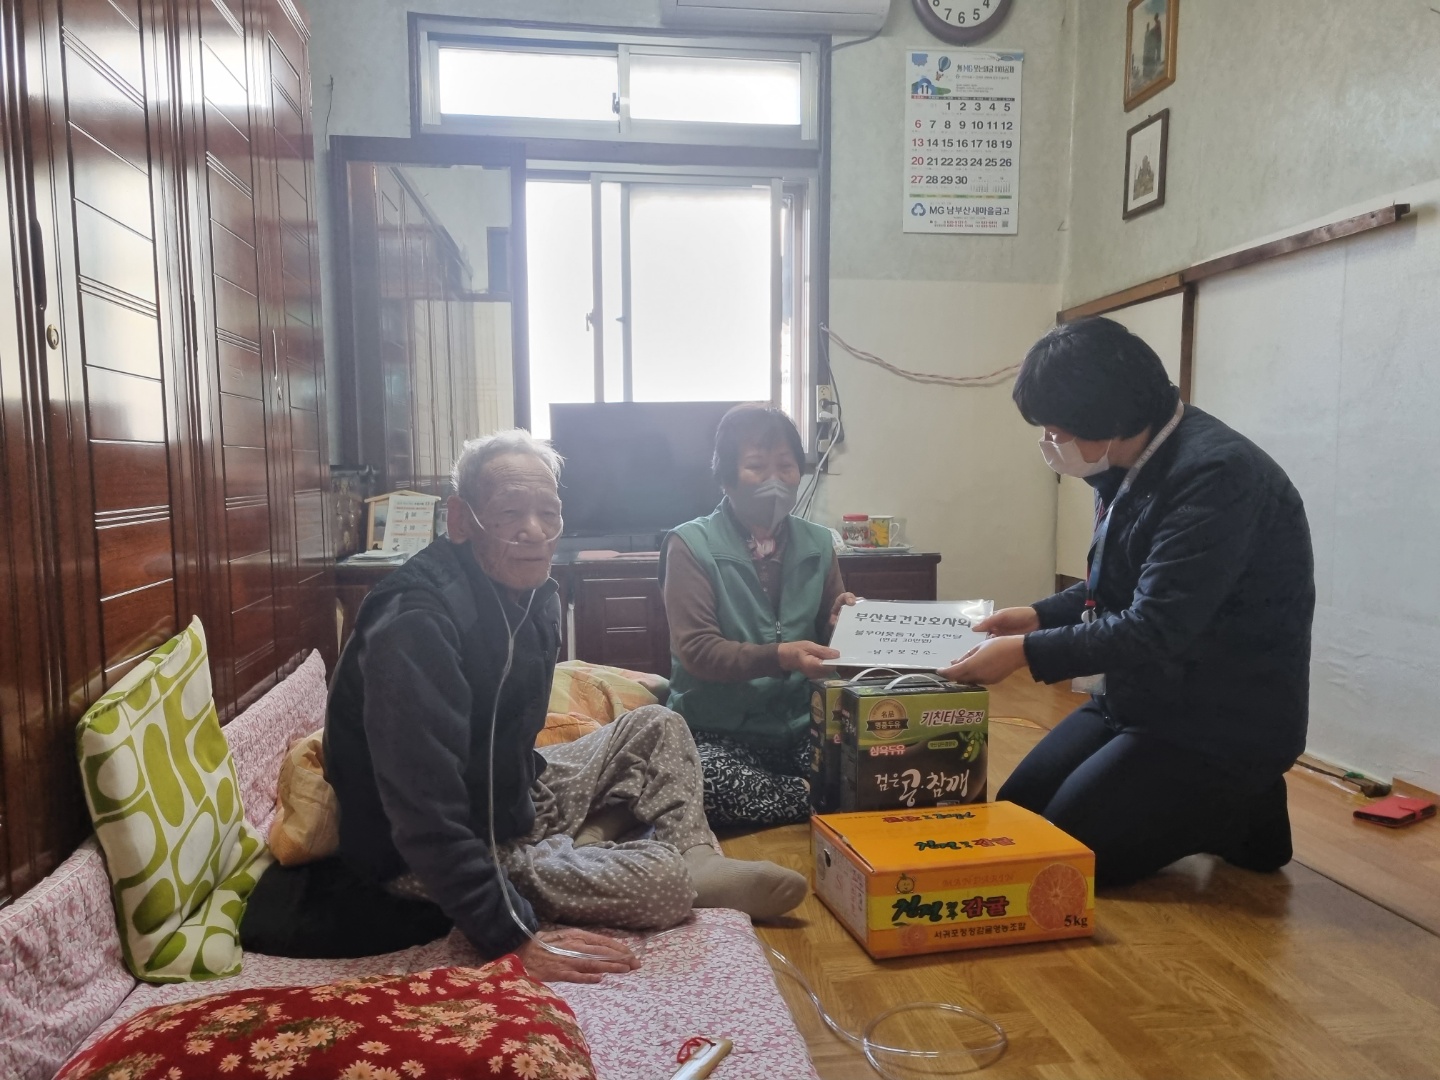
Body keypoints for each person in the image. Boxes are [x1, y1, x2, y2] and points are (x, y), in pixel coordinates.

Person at [246, 431, 807, 983]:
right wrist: (511, 936)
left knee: (656, 724)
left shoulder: (536, 593)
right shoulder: (415, 624)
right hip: (424, 849)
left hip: (511, 796)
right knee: (663, 886)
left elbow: (513, 738)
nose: (535, 531)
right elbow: (424, 814)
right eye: (510, 513)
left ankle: (692, 853)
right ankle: (610, 851)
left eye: (549, 513)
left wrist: (531, 797)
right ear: (460, 519)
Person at [940, 318, 1315, 887]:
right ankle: (1217, 804)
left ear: (1110, 419)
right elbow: (1119, 585)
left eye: (1059, 430)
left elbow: (1156, 625)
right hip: (1141, 696)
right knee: (1020, 815)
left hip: (1219, 722)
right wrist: (1039, 615)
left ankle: (1241, 804)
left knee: (1068, 857)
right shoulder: (1127, 459)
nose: (1051, 443)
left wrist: (1024, 652)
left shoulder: (1216, 475)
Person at [660, 405, 856, 826]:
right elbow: (697, 651)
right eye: (756, 466)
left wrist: (844, 626)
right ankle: (819, 798)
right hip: (718, 730)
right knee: (701, 781)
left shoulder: (819, 543)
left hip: (803, 724)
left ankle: (804, 795)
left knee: (875, 756)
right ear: (726, 477)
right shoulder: (691, 544)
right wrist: (781, 656)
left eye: (785, 466)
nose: (775, 479)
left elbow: (831, 645)